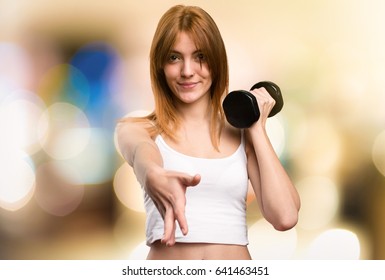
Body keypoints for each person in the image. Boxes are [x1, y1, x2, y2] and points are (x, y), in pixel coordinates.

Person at [116, 4, 300, 260]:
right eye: (174, 57)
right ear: (159, 66)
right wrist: (153, 173)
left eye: (200, 56)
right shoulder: (137, 129)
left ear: (216, 62)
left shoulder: (243, 135)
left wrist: (256, 126)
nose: (187, 70)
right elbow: (141, 152)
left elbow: (285, 217)